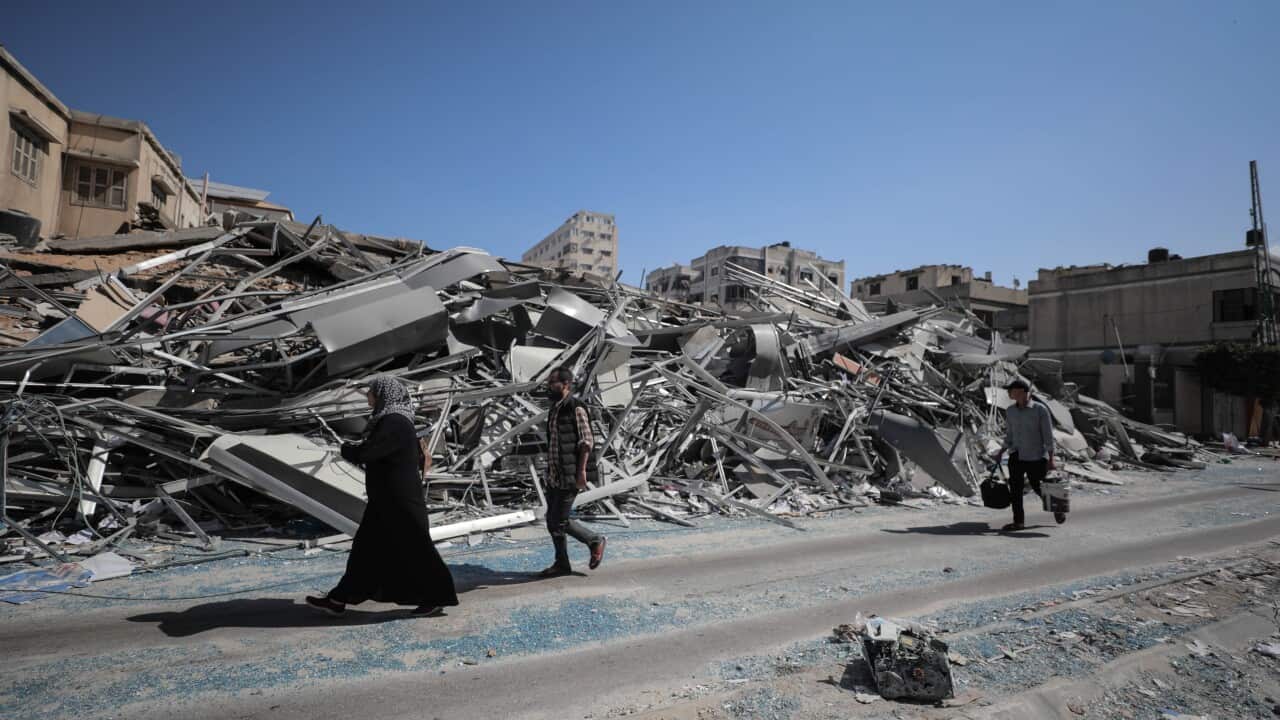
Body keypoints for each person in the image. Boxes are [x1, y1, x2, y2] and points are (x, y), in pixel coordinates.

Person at [306, 375, 458, 616]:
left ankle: (438, 596)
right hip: (387, 500)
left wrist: (345, 448)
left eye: (370, 392)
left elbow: (369, 453)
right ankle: (339, 599)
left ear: (382, 395)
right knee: (366, 550)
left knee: (417, 549)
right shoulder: (391, 420)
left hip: (400, 501)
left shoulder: (394, 422)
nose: (368, 396)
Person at [539, 367, 607, 577]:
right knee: (554, 520)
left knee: (558, 521)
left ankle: (594, 540)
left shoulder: (575, 408)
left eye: (553, 383)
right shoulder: (555, 409)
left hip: (570, 473)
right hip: (555, 474)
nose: (549, 388)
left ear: (566, 384)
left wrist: (581, 472)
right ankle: (562, 563)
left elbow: (586, 442)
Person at [992, 379, 1065, 531]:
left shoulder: (1040, 410)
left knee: (1039, 487)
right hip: (1016, 455)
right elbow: (1009, 435)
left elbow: (1048, 436)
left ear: (1021, 391)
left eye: (1011, 390)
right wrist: (1001, 451)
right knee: (1015, 490)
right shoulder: (1010, 411)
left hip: (1036, 456)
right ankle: (1018, 522)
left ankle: (1057, 508)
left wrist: (1051, 458)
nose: (1009, 393)